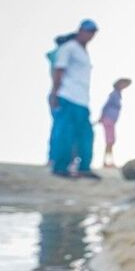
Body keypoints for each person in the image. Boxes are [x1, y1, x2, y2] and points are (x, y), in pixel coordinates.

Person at [49, 19, 101, 179]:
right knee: (66, 133)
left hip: (82, 100)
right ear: (80, 30)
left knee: (86, 134)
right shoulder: (69, 48)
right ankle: (60, 167)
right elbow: (58, 70)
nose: (90, 35)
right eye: (88, 31)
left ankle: (84, 167)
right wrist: (54, 93)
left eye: (93, 32)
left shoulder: (83, 52)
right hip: (67, 96)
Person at [45, 33, 76, 164]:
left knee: (60, 127)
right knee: (62, 128)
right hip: (62, 95)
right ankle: (58, 158)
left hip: (60, 94)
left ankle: (54, 158)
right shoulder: (62, 54)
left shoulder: (56, 55)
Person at [98, 78, 131, 168]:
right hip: (108, 119)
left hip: (111, 120)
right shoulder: (114, 94)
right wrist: (101, 117)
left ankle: (108, 161)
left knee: (111, 141)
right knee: (110, 140)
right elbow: (105, 106)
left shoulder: (118, 95)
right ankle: (107, 162)